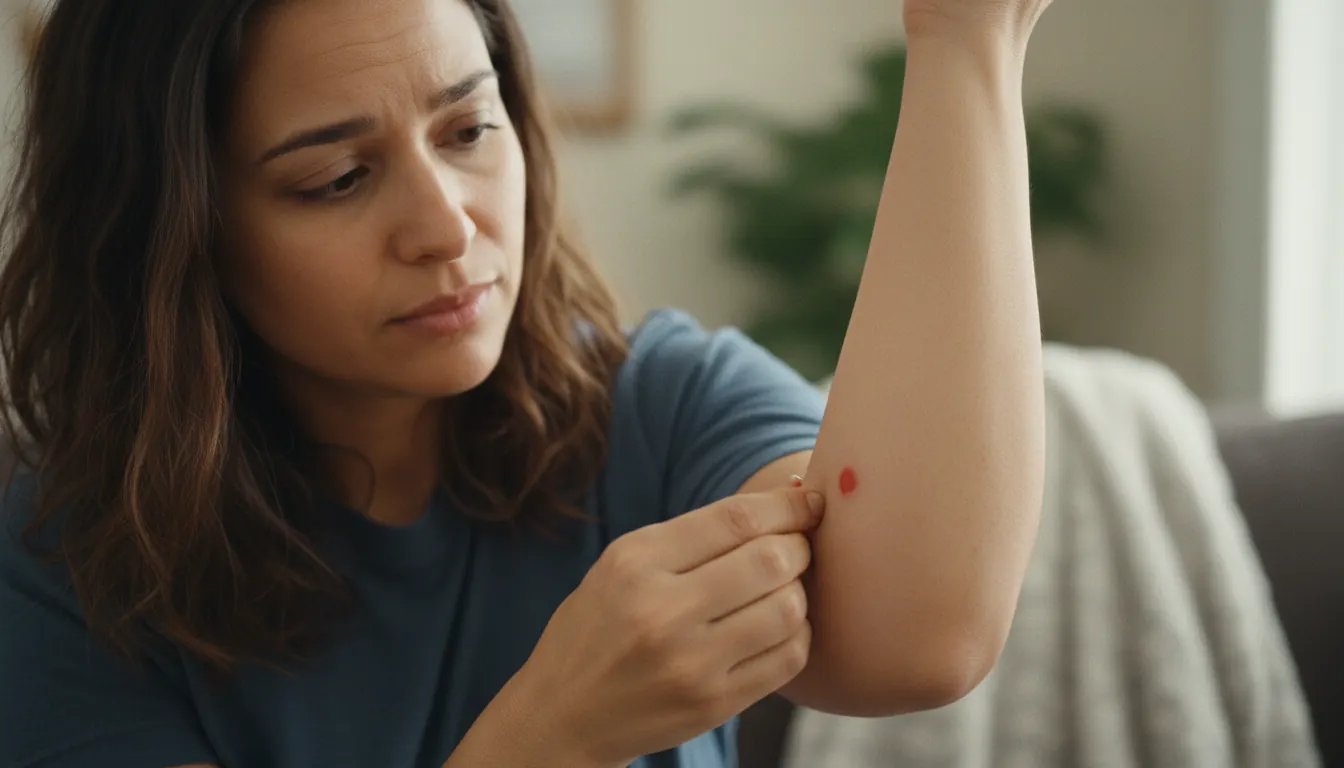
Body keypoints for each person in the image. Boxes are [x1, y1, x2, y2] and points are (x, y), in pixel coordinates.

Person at [0, 0, 1050, 765]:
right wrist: (553, 736)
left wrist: (967, 40)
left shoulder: (661, 407)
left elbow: (921, 640)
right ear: (177, 235)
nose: (448, 226)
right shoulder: (59, 571)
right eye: (338, 179)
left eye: (468, 130)